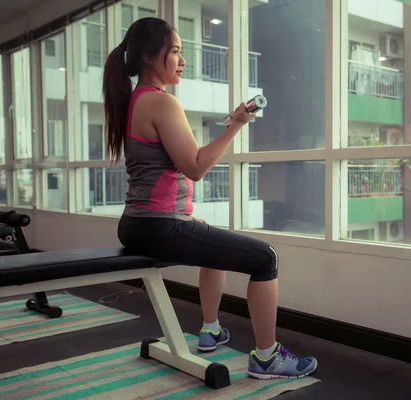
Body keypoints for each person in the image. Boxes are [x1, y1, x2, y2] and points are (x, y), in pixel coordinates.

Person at [102, 17, 317, 379]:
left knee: (209, 239)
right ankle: (266, 357)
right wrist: (236, 126)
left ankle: (211, 329)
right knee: (265, 258)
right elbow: (197, 166)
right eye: (176, 52)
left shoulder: (135, 100)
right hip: (157, 226)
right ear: (151, 58)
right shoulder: (161, 103)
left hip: (138, 223)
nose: (183, 60)